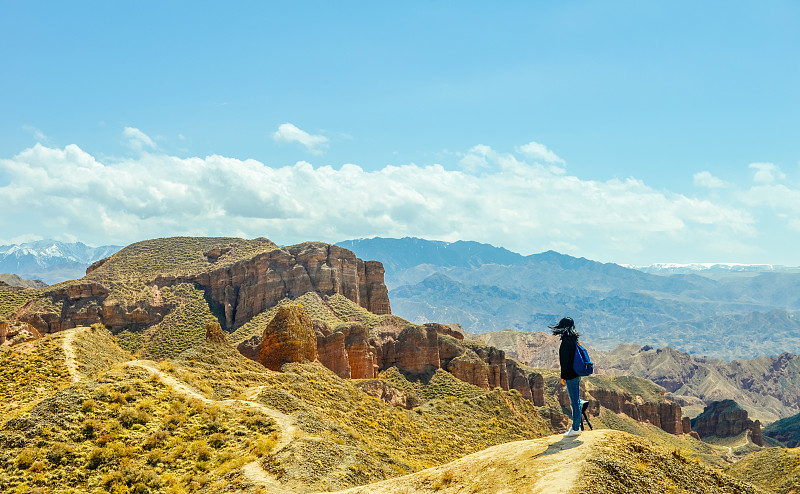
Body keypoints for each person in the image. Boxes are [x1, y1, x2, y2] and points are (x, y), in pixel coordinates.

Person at [551, 316, 583, 437]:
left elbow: (564, 362)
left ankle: (575, 428)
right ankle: (576, 426)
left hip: (570, 375)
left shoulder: (566, 341)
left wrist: (563, 377)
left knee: (574, 402)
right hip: (576, 374)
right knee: (575, 400)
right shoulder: (573, 339)